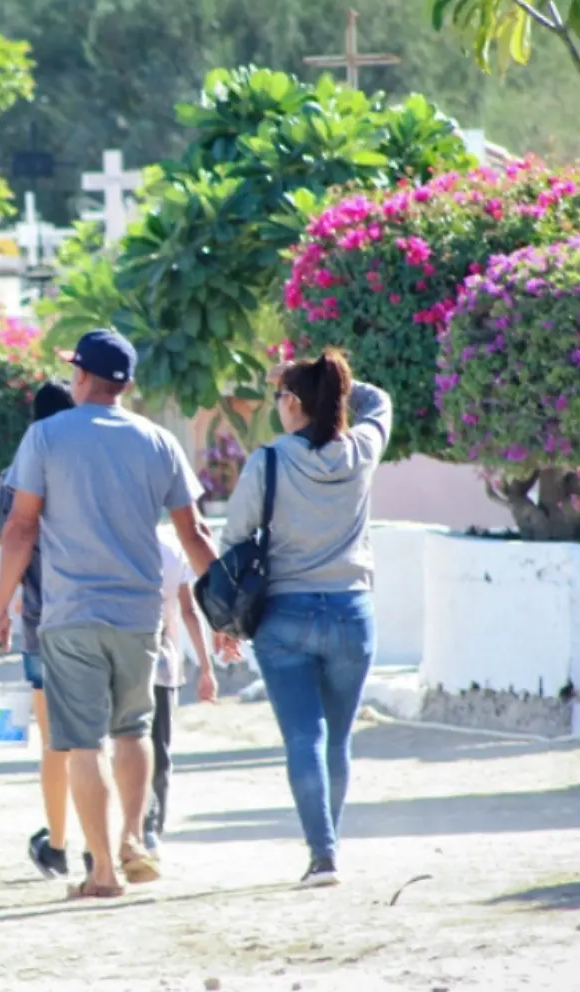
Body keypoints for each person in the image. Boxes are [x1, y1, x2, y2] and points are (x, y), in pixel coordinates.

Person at [0, 328, 216, 900]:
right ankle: (134, 839)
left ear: (83, 377)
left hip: (69, 614)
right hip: (140, 613)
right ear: (128, 384)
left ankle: (103, 874)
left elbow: (19, 528)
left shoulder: (45, 437)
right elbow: (195, 533)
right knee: (134, 730)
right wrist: (226, 613)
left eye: (73, 370)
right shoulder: (158, 440)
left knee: (82, 744)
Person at [218, 349, 391, 888]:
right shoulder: (361, 450)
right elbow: (377, 401)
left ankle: (323, 855)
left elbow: (234, 541)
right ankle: (329, 850)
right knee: (337, 742)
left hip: (285, 616)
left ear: (292, 404)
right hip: (351, 612)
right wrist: (335, 382)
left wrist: (223, 622)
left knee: (303, 739)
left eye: (281, 398)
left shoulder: (268, 461)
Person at [0, 380, 78, 880]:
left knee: (54, 742)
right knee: (98, 737)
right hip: (97, 613)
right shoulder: (90, 466)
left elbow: (1, 534)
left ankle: (58, 843)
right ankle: (102, 843)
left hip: (41, 622)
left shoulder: (16, 473)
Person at [143, 524, 217, 858]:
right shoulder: (171, 543)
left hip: (144, 663)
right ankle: (150, 829)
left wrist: (206, 665)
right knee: (158, 752)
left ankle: (142, 827)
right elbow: (187, 609)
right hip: (161, 663)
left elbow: (187, 609)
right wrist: (206, 665)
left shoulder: (112, 534)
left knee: (126, 745)